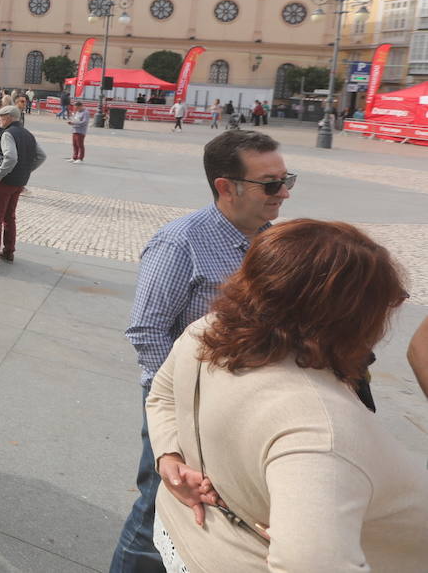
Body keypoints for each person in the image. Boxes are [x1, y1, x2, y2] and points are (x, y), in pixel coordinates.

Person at [145, 220, 426, 571]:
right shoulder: (318, 427)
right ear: (347, 317)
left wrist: (168, 456)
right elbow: (309, 562)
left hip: (191, 537)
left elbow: (162, 395)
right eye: (386, 303)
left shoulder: (208, 332)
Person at [110, 130, 292, 572]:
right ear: (226, 187)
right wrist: (181, 402)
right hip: (183, 405)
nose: (284, 192)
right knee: (157, 509)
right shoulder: (180, 243)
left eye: (287, 180)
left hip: (241, 405)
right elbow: (147, 330)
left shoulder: (272, 242)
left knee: (210, 509)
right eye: (270, 184)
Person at [0, 105, 40, 266]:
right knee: (9, 217)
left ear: (9, 117)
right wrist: (26, 169)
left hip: (5, 182)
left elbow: (11, 157)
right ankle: (9, 251)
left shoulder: (8, 134)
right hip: (19, 182)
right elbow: (41, 156)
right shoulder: (28, 134)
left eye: (1, 117)